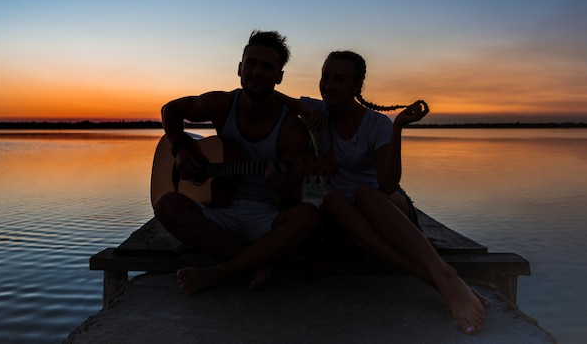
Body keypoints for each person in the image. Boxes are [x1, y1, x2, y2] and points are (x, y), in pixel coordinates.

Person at [277, 50, 490, 335]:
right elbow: (272, 95)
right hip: (344, 216)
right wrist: (304, 110)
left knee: (366, 193)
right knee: (333, 199)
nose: (328, 85)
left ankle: (441, 272)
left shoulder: (377, 124)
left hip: (385, 206)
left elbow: (388, 185)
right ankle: (437, 277)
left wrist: (398, 128)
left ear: (357, 87)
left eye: (340, 79)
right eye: (325, 77)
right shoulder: (318, 111)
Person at [152, 30, 320, 295]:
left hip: (266, 217)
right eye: (250, 63)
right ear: (240, 68)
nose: (256, 71)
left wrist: (282, 189)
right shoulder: (222, 104)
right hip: (218, 211)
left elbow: (290, 202)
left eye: (267, 66)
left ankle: (222, 270)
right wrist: (182, 147)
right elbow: (170, 110)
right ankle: (258, 261)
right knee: (166, 205)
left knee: (307, 216)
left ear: (279, 76)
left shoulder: (291, 129)